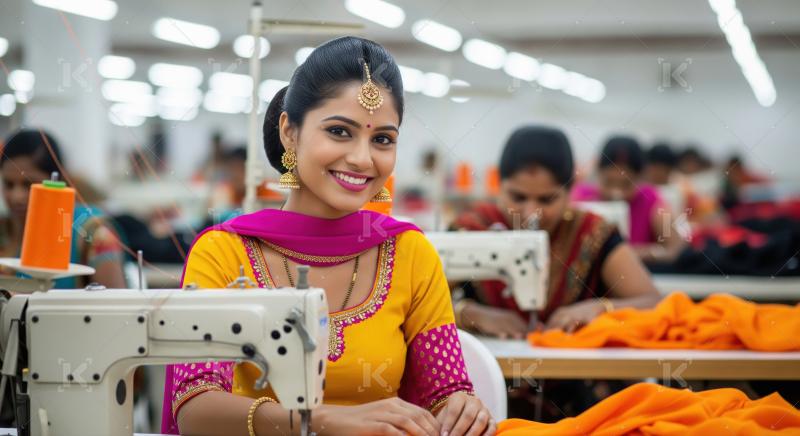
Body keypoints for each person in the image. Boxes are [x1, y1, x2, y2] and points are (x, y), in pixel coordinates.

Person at [161, 36, 494, 436]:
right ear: (289, 131)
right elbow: (195, 408)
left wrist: (462, 407)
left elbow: (447, 392)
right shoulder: (223, 252)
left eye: (382, 139)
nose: (362, 158)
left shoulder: (410, 252)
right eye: (339, 131)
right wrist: (322, 421)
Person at [452, 126, 661, 338]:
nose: (531, 213)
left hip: (577, 369)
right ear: (500, 186)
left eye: (547, 199)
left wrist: (601, 309)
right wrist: (469, 314)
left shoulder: (593, 232)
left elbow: (655, 303)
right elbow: (418, 307)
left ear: (570, 192)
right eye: (518, 197)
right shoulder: (471, 228)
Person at [0, 129, 126, 288]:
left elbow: (114, 307)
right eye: (8, 184)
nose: (16, 196)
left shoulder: (93, 234)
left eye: (28, 184)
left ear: (57, 180)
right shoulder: (4, 231)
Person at [572, 135, 685, 262]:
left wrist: (639, 254)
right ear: (598, 173)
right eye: (609, 182)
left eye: (626, 184)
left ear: (641, 177)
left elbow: (675, 248)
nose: (616, 193)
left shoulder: (653, 201)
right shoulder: (582, 197)